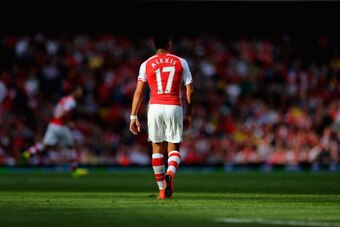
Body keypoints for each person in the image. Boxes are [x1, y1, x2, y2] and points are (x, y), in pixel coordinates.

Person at [129, 34, 194, 199]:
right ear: (169, 44)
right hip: (174, 106)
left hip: (155, 107)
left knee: (156, 148)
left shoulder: (146, 64)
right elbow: (190, 90)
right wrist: (189, 114)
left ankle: (161, 191)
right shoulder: (181, 62)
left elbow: (139, 92)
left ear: (154, 45)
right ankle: (170, 173)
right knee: (174, 148)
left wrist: (133, 116)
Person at [20, 86, 88, 177]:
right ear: (76, 92)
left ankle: (28, 152)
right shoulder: (72, 102)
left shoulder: (63, 99)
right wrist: (68, 122)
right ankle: (74, 170)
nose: (80, 95)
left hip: (53, 124)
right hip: (61, 126)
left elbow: (56, 111)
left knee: (44, 144)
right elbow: (65, 111)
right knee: (71, 147)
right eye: (80, 93)